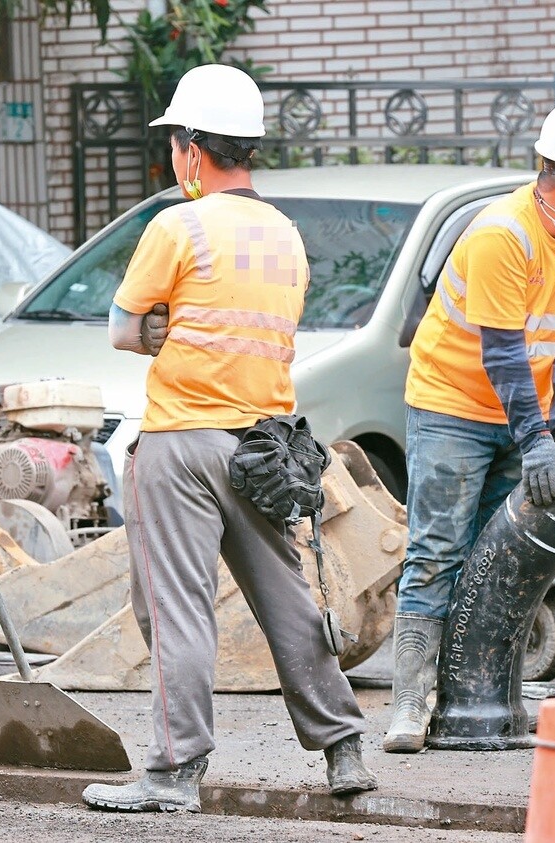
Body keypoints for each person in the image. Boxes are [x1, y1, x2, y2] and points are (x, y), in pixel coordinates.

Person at [80, 63, 376, 813]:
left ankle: (174, 773)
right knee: (287, 600)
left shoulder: (176, 225)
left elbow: (122, 329)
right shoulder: (285, 234)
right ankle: (343, 746)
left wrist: (172, 327)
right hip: (261, 447)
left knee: (177, 609)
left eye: (176, 143)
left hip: (179, 443)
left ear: (190, 148)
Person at [383, 97, 555, 753]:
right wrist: (534, 439)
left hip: (520, 410)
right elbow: (501, 350)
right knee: (439, 548)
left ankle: (478, 699)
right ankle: (411, 701)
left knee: (495, 554)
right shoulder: (504, 233)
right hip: (452, 403)